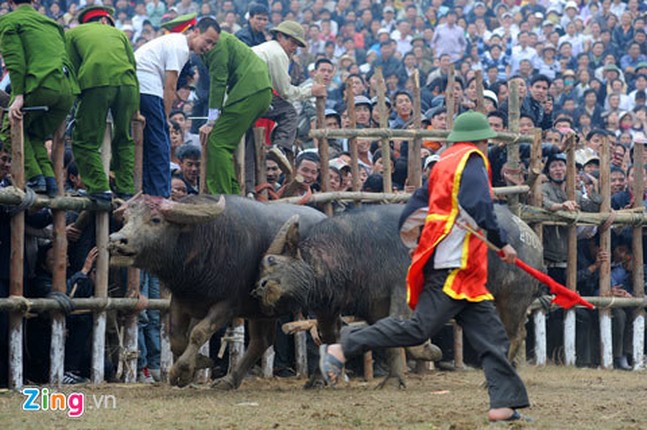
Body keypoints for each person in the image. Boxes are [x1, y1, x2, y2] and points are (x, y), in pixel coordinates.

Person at [319, 111, 532, 423]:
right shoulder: (472, 159)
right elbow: (480, 204)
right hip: (453, 267)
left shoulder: (444, 161)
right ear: (481, 139)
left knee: (493, 338)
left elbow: (414, 207)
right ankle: (343, 346)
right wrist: (502, 241)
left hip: (463, 271)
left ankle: (503, 404)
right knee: (417, 329)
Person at [0, 0, 80, 197]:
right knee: (34, 135)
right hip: (67, 90)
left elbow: (15, 61)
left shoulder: (9, 21)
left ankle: (35, 177)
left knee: (9, 129)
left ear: (9, 2)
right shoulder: (51, 23)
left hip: (41, 85)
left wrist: (18, 96)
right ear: (35, 1)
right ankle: (50, 181)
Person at [135, 16, 220, 198]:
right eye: (208, 41)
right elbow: (171, 86)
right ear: (195, 31)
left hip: (142, 86)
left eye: (213, 45)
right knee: (160, 143)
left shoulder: (177, 44)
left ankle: (150, 191)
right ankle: (160, 196)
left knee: (153, 142)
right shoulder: (179, 46)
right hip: (147, 87)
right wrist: (166, 119)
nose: (208, 48)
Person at [65, 5, 139, 202]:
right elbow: (133, 65)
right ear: (105, 20)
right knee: (124, 138)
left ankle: (99, 187)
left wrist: (76, 101)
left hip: (96, 83)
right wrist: (136, 109)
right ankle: (125, 189)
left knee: (83, 140)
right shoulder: (119, 33)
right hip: (128, 86)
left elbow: (71, 68)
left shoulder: (73, 33)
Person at [199, 27, 272, 195]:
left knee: (217, 142)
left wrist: (211, 121)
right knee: (225, 144)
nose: (208, 47)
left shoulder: (216, 48)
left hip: (249, 91)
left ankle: (223, 197)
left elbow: (218, 84)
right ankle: (233, 193)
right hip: (258, 90)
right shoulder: (221, 40)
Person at [252, 20, 327, 158]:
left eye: (297, 45)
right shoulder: (278, 53)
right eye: (292, 42)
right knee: (289, 113)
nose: (294, 48)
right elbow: (285, 91)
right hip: (252, 95)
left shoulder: (265, 48)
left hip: (243, 96)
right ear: (280, 36)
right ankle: (280, 147)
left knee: (249, 147)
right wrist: (311, 91)